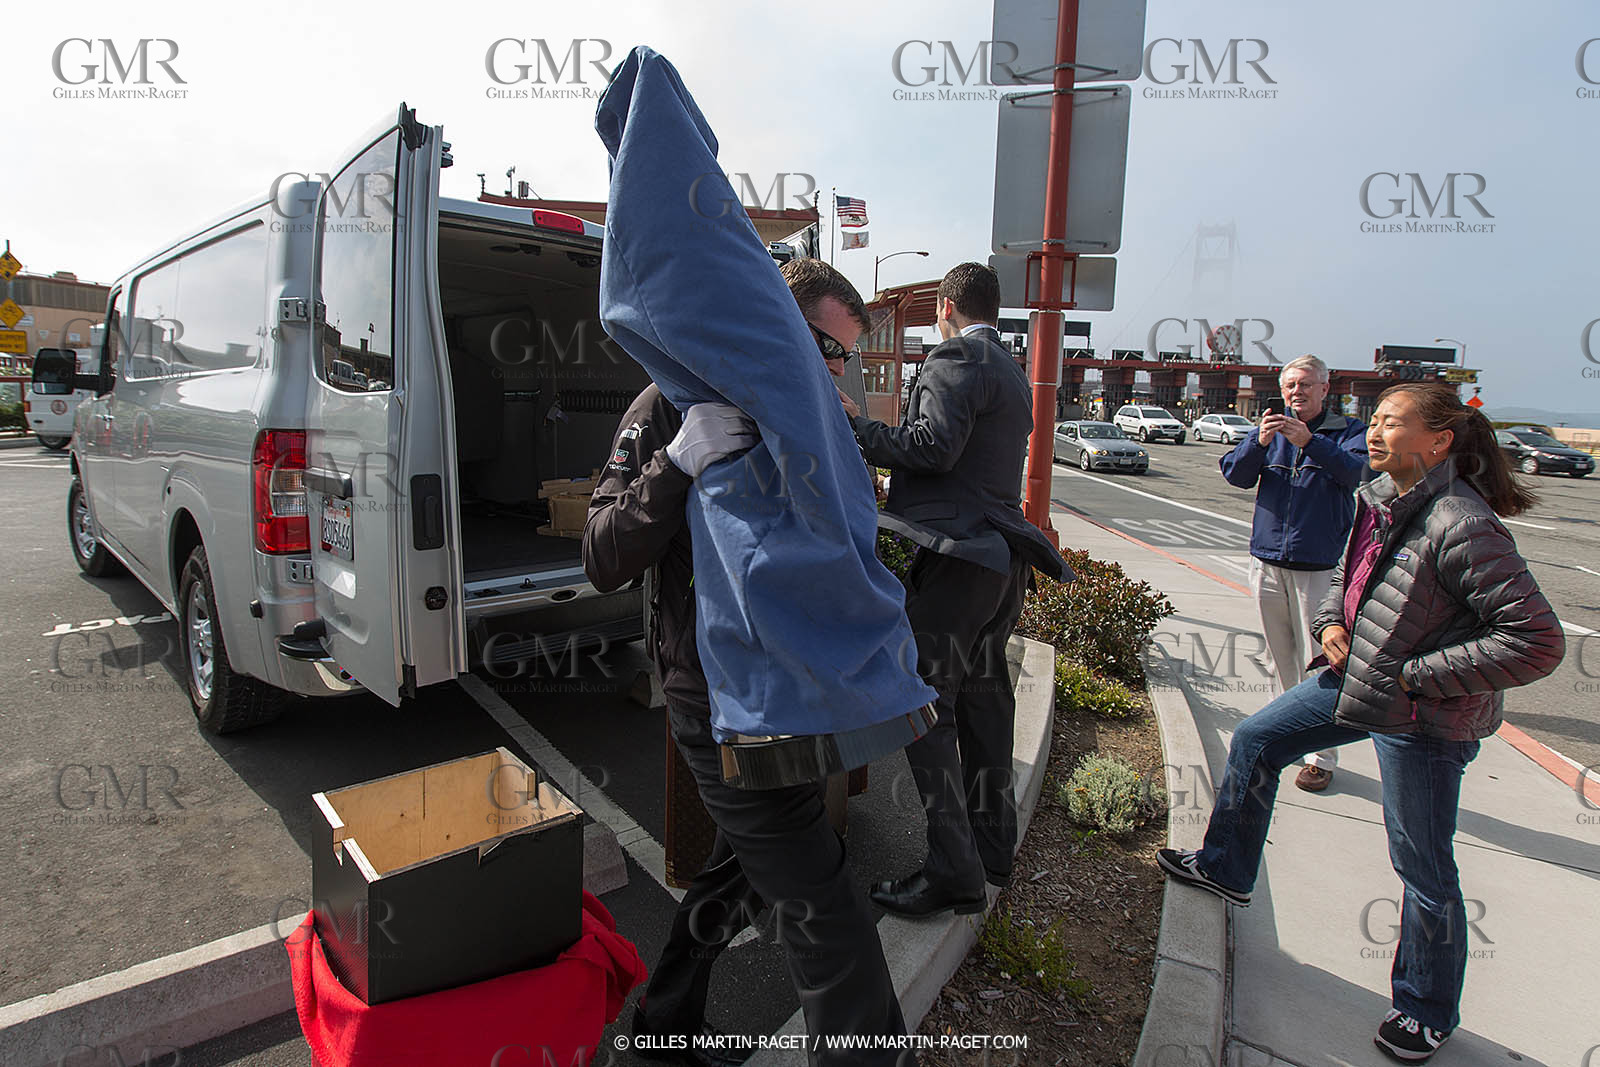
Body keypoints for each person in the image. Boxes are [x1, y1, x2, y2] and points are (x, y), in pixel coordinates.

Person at [1158, 383, 1565, 1062]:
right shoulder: (1380, 499)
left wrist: (1417, 674)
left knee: (1422, 867)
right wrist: (1331, 622)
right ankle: (1227, 865)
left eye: (1391, 423)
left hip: (1424, 719)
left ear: (1439, 442)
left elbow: (1536, 640)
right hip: (1359, 677)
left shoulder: (1463, 523)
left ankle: (1425, 1007)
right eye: (1373, 420)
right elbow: (1349, 574)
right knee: (1259, 739)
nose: (1374, 433)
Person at [584, 258, 910, 1066]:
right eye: (827, 349)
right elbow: (600, 553)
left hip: (795, 691)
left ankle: (660, 1031)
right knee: (820, 895)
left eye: (846, 357)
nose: (838, 369)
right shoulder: (673, 404)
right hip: (718, 699)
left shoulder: (810, 415)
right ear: (774, 324)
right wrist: (678, 463)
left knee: (743, 872)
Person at [842, 262, 1068, 919]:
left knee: (922, 706)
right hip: (1000, 565)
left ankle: (953, 871)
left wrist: (857, 426)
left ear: (945, 306)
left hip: (958, 559)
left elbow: (930, 447)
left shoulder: (955, 356)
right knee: (984, 704)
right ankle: (993, 848)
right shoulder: (1011, 370)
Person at [1220, 354, 1368, 792]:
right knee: (1276, 657)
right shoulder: (1270, 431)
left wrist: (1309, 442)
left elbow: (1356, 473)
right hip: (1267, 561)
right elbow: (1236, 474)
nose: (1295, 393)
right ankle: (1278, 736)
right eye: (1289, 386)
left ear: (1325, 388)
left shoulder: (1348, 434)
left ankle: (1321, 757)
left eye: (1305, 384)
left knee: (1320, 660)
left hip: (1318, 565)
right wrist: (1258, 443)